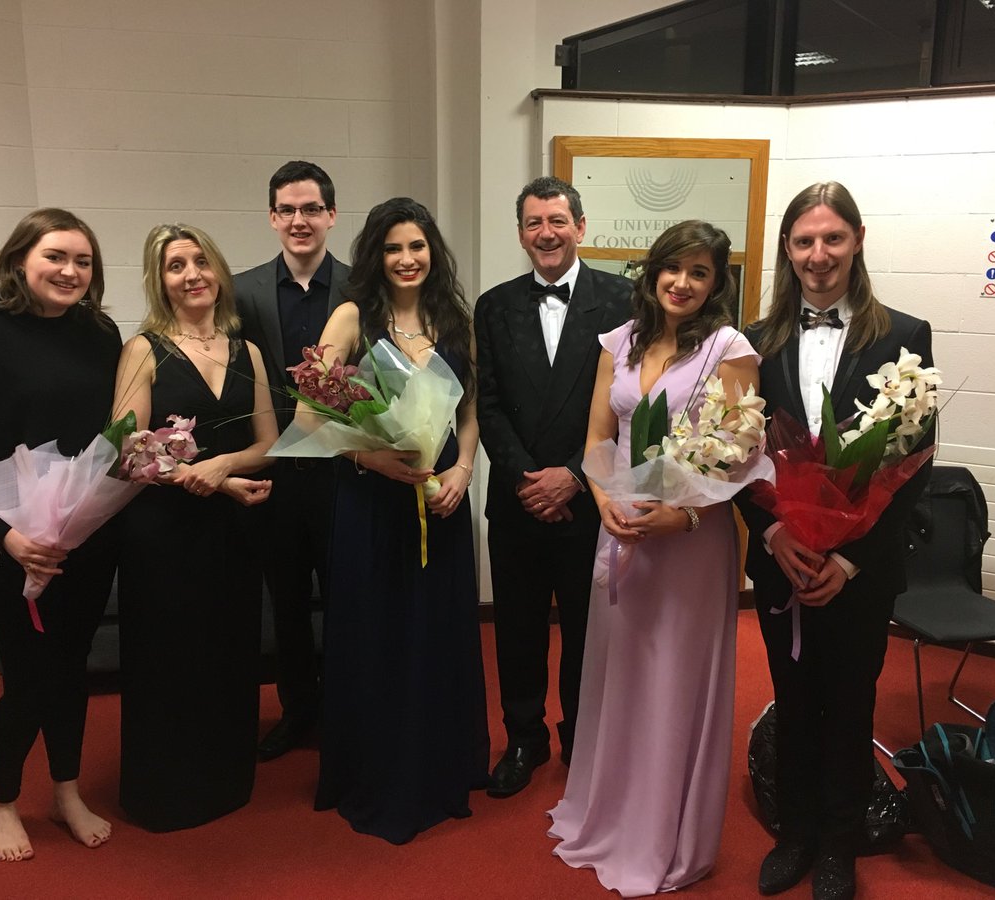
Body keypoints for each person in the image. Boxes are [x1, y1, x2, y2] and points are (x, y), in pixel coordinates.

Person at [547, 220, 761, 896]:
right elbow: (596, 439)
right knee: (623, 676)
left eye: (700, 272)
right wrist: (603, 500)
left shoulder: (731, 350)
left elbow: (741, 455)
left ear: (717, 283)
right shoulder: (620, 341)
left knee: (674, 681)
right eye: (673, 268)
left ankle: (668, 831)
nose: (682, 283)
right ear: (652, 271)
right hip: (624, 530)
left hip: (692, 543)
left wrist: (687, 513)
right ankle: (611, 811)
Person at [735, 182, 933, 900]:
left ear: (857, 241)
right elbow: (737, 453)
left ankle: (838, 847)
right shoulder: (753, 340)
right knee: (792, 700)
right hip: (782, 560)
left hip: (860, 568)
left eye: (832, 238)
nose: (818, 255)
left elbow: (914, 462)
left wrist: (848, 560)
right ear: (787, 250)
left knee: (850, 705)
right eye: (804, 241)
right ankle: (794, 834)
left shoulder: (904, 334)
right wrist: (774, 532)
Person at [0, 208, 122, 861]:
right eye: (55, 257)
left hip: (86, 538)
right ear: (19, 261)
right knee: (29, 681)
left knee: (71, 671)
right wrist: (6, 538)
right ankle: (1, 801)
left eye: (82, 261)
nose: (70, 271)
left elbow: (113, 434)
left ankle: (66, 791)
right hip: (13, 547)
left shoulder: (101, 334)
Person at [308, 197, 488, 844]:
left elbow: (470, 413)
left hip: (441, 498)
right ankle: (379, 770)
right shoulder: (352, 316)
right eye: (392, 248)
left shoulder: (456, 319)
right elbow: (310, 416)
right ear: (375, 256)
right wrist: (372, 459)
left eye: (416, 246)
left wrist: (463, 470)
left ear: (432, 251)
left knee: (435, 632)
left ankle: (440, 764)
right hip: (373, 503)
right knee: (380, 633)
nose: (407, 259)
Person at [113, 224, 277, 832]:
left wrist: (224, 466)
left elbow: (268, 443)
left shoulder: (247, 351)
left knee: (228, 651)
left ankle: (225, 778)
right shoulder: (143, 349)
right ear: (160, 282)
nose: (192, 275)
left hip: (231, 534)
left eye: (200, 261)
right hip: (163, 533)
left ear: (218, 271)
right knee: (169, 658)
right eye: (175, 265)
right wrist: (203, 478)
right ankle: (166, 792)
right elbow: (124, 450)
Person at [474, 176, 631, 797]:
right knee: (517, 629)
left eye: (558, 221)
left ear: (581, 227)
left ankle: (582, 739)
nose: (546, 233)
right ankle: (523, 739)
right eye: (534, 223)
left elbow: (627, 405)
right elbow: (488, 405)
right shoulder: (493, 305)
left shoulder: (622, 299)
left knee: (589, 632)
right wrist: (528, 480)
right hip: (518, 501)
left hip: (589, 500)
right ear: (520, 234)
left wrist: (573, 475)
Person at [235, 160, 351, 761]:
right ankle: (297, 711)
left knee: (347, 599)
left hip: (345, 475)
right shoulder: (241, 290)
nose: (299, 220)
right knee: (284, 603)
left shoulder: (362, 288)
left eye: (311, 209)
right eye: (287, 210)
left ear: (331, 215)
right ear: (272, 217)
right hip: (274, 475)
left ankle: (347, 712)